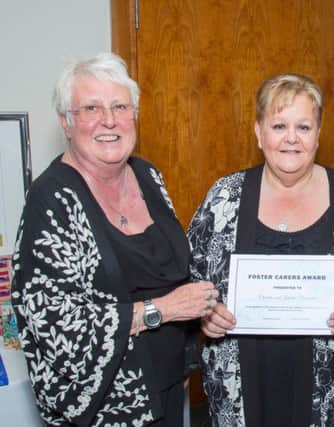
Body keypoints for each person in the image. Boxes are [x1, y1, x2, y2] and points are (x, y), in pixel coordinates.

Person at [11, 52, 217, 426]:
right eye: (91, 108)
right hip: (105, 407)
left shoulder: (147, 175)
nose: (109, 120)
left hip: (168, 390)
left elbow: (174, 271)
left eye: (120, 106)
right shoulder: (51, 201)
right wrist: (163, 310)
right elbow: (58, 330)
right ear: (66, 122)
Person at [187, 73, 334, 426]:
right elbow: (190, 279)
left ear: (318, 134)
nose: (291, 138)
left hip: (326, 387)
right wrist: (205, 314)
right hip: (239, 384)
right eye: (278, 125)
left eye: (304, 127)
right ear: (259, 132)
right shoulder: (224, 197)